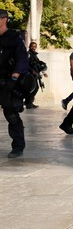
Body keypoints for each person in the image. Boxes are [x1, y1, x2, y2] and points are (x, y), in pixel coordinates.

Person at [0, 9, 29, 158]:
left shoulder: (14, 38)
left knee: (11, 114)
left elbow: (22, 58)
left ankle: (18, 146)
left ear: (4, 19)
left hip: (8, 82)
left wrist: (14, 77)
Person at [25, 41, 47, 109]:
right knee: (33, 88)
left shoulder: (34, 55)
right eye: (32, 46)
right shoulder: (28, 54)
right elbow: (26, 64)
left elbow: (38, 65)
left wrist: (43, 72)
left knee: (35, 88)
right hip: (29, 74)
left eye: (35, 46)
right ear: (29, 46)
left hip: (35, 74)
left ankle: (30, 102)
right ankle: (28, 103)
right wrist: (32, 70)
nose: (33, 48)